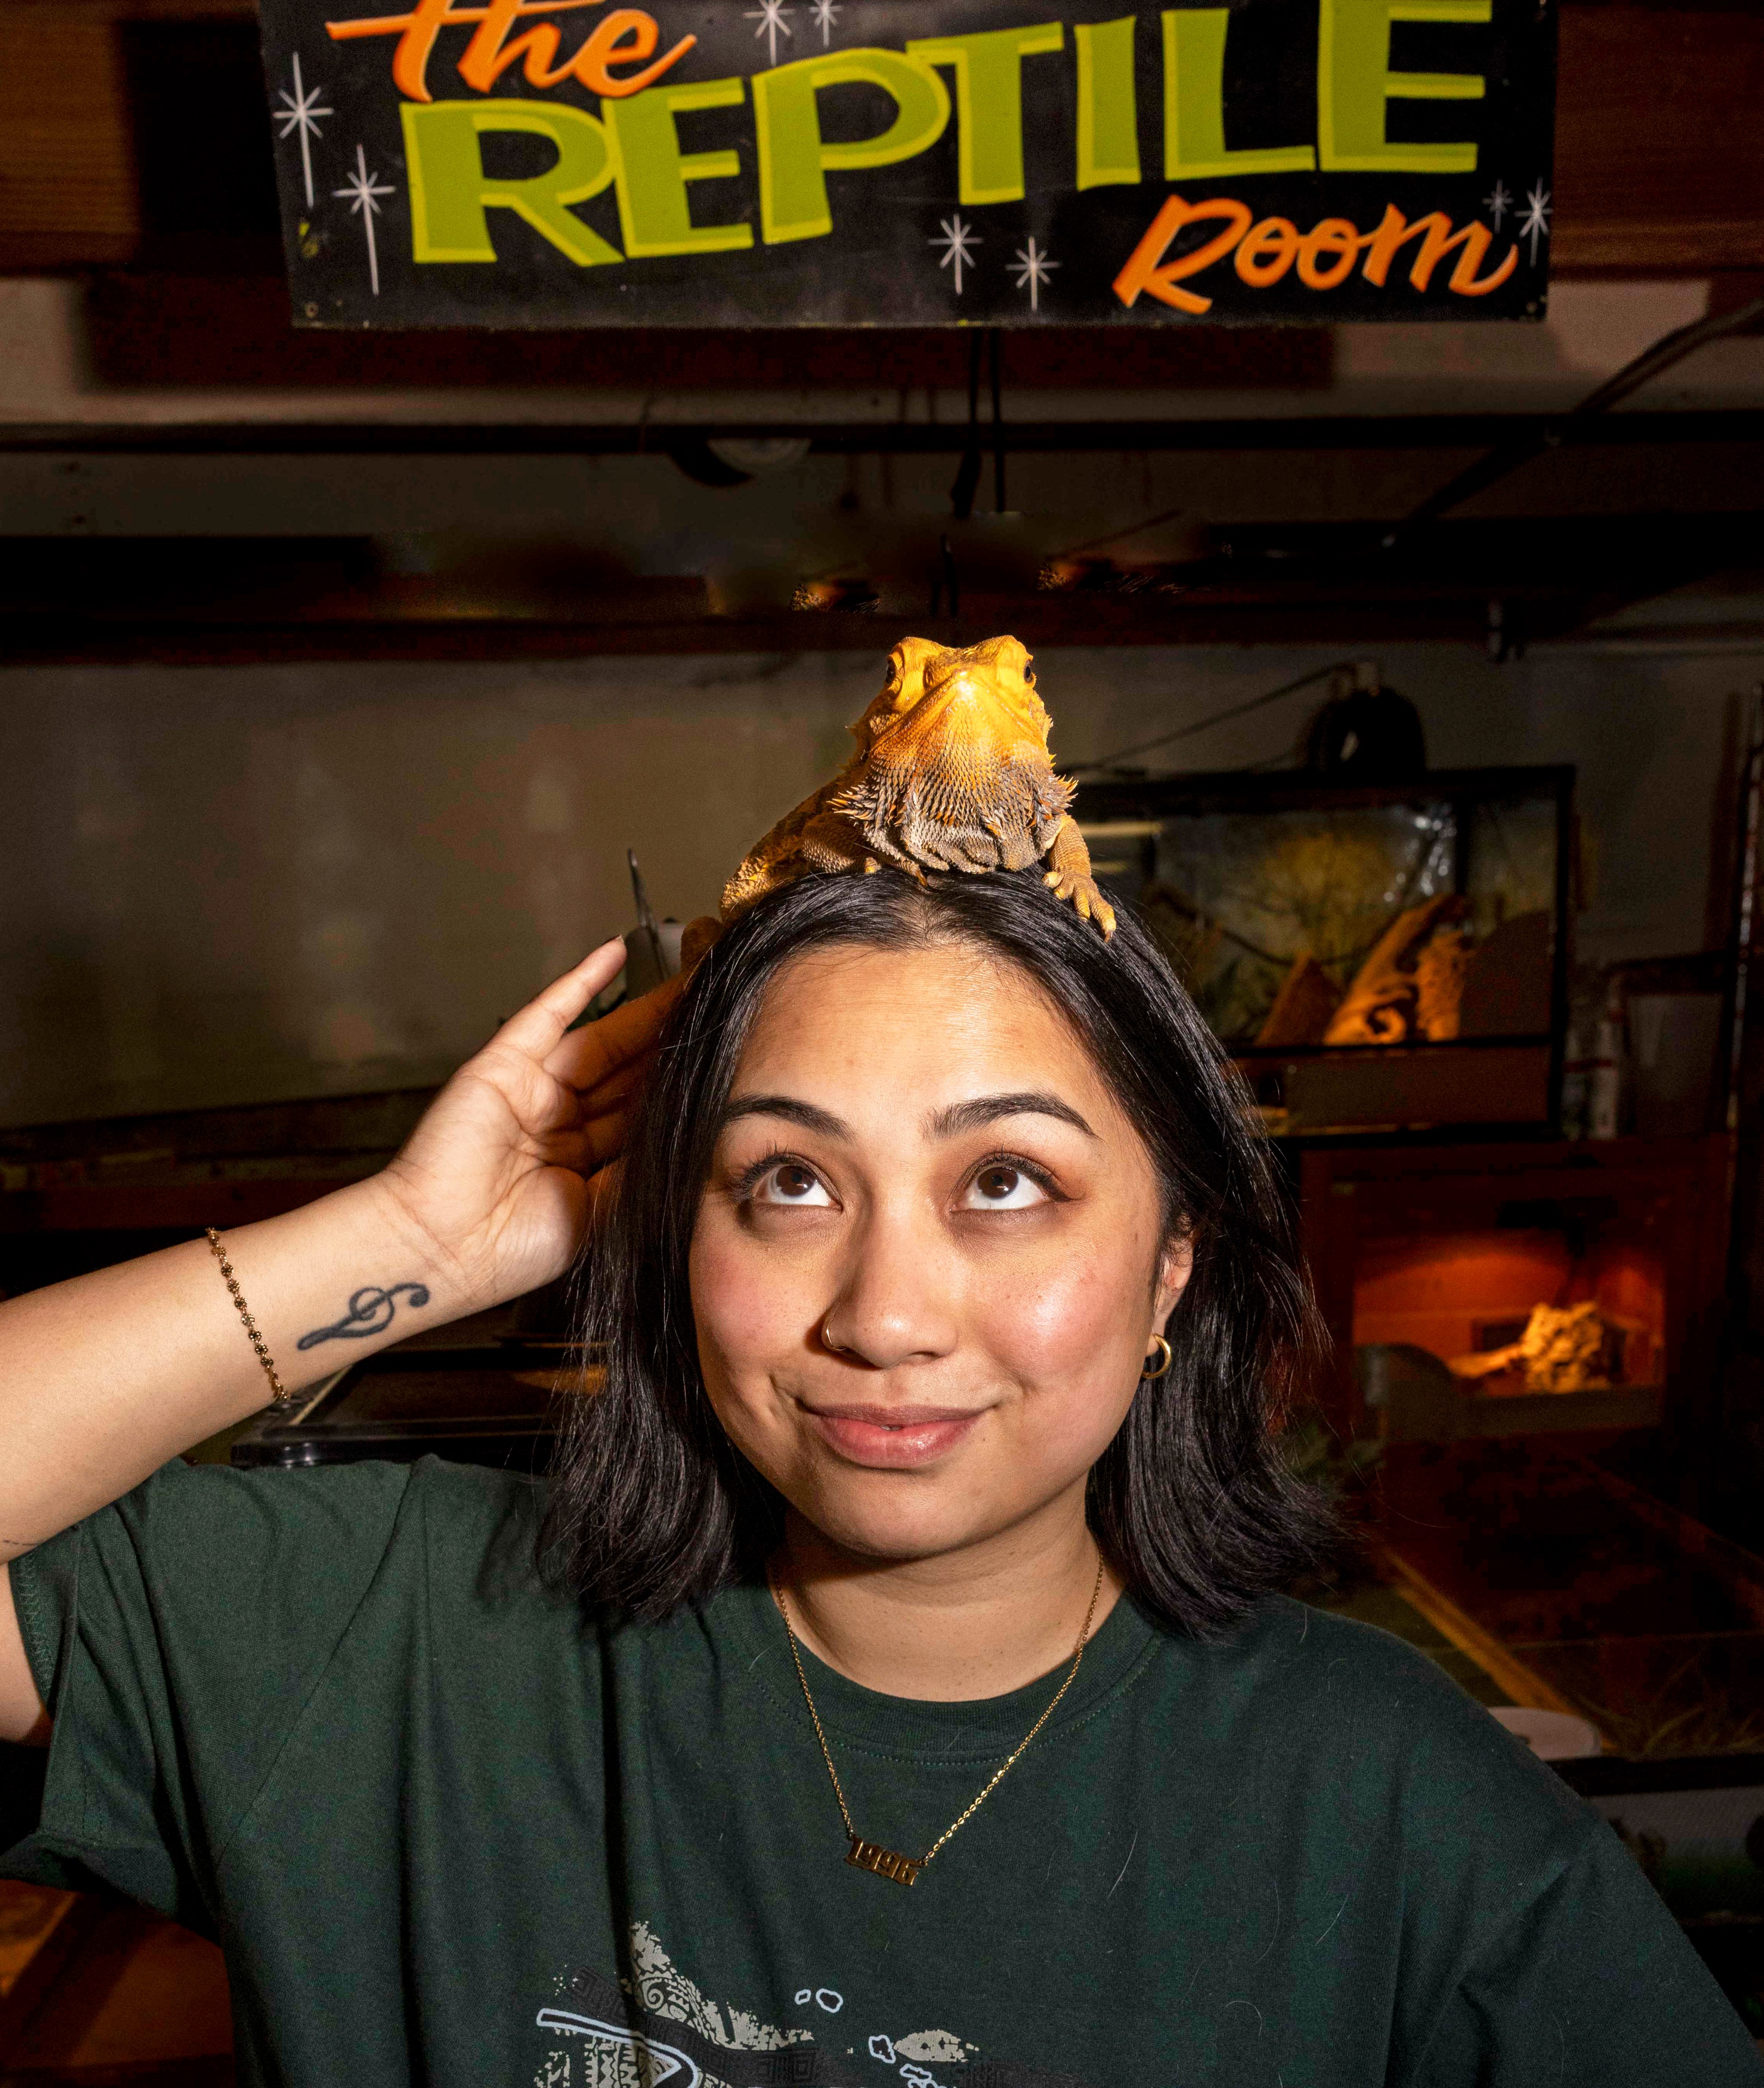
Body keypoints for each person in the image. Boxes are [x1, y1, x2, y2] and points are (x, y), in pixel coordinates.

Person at [0, 867, 1755, 2088]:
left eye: (1007, 1181)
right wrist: (412, 1241)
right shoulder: (393, 1640)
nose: (888, 1314)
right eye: (786, 1181)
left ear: (1172, 1269)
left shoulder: (1394, 1807)